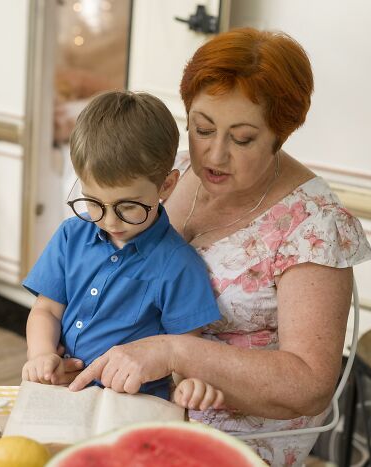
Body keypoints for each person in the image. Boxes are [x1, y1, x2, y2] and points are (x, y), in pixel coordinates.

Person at [68, 28, 371, 465]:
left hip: (233, 438)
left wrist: (174, 351)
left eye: (243, 138)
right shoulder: (171, 171)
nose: (213, 155)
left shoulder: (313, 223)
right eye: (202, 128)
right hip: (130, 404)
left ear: (280, 134)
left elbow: (310, 385)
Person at [21, 91, 222, 402]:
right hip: (61, 393)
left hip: (129, 403)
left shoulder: (179, 265)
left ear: (166, 186)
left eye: (128, 206)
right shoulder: (70, 236)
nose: (111, 221)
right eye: (93, 203)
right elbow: (46, 310)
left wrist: (189, 385)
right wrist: (41, 355)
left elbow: (185, 353)